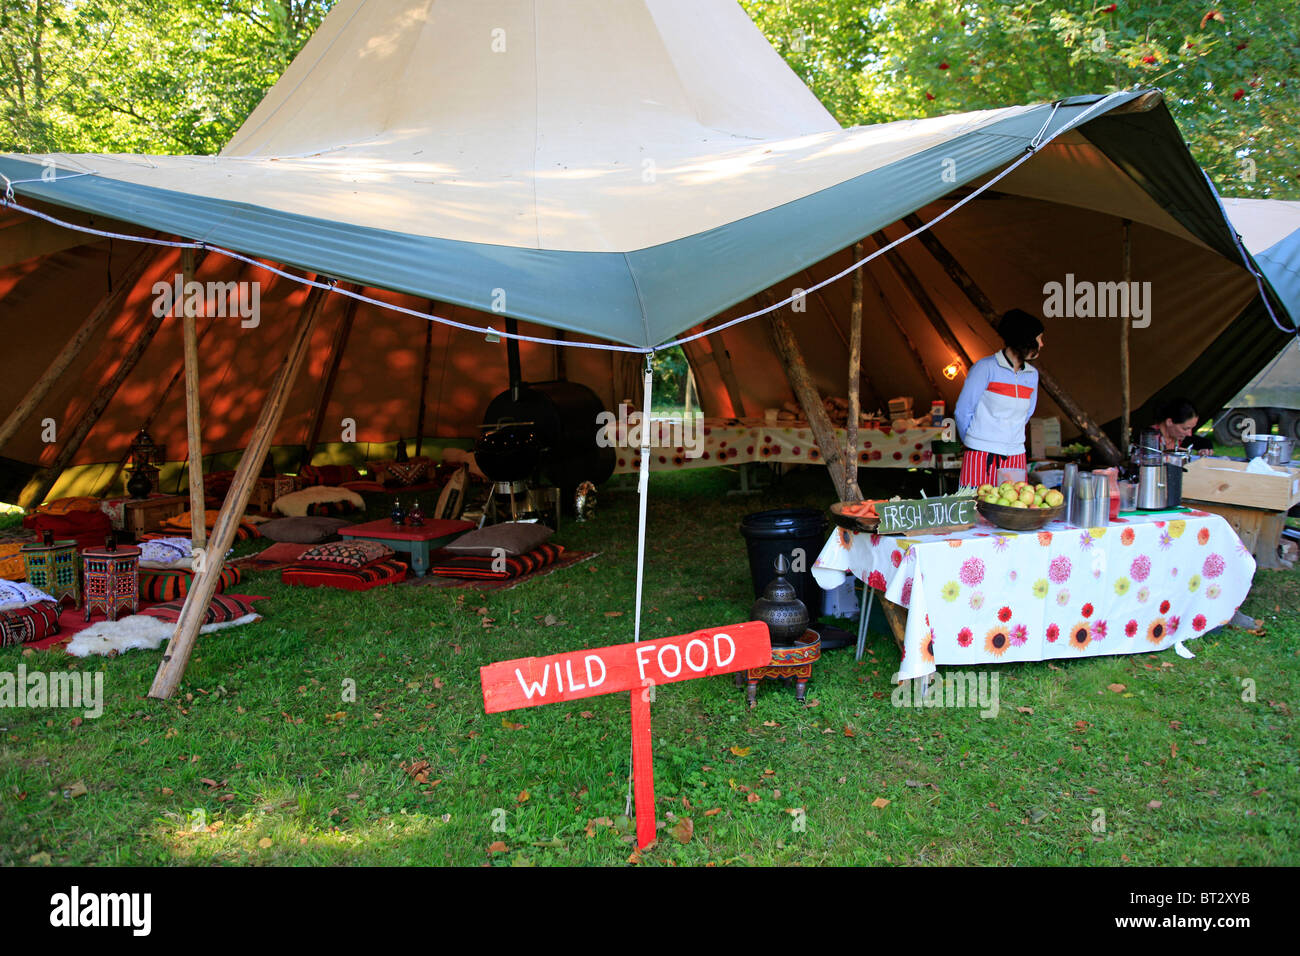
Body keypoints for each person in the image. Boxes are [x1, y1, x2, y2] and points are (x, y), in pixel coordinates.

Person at [954, 308, 1043, 488]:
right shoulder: (985, 368)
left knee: (1014, 511)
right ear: (1025, 339)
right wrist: (975, 442)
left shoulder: (1032, 375)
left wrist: (1010, 438)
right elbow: (962, 412)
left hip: (1016, 454)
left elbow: (1027, 414)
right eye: (1039, 338)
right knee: (976, 510)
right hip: (980, 454)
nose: (1042, 344)